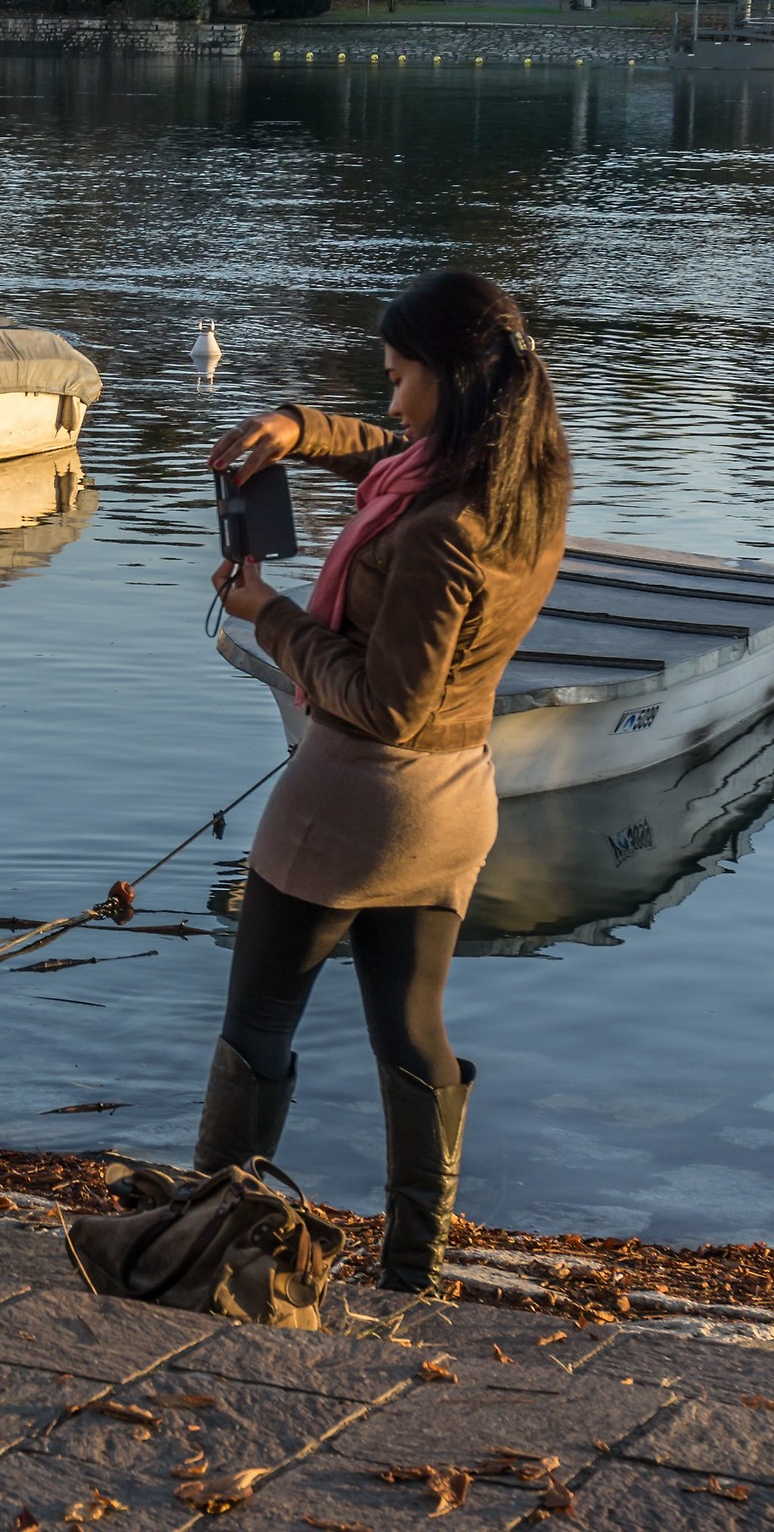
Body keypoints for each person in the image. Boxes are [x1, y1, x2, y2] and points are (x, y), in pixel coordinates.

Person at [198, 270, 572, 1293]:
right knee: (412, 1032)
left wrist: (271, 616)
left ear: (452, 378)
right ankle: (414, 1266)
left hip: (350, 802)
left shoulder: (441, 533)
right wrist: (299, 427)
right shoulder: (523, 487)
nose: (393, 401)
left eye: (402, 377)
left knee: (257, 1026)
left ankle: (210, 1243)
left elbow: (386, 701)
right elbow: (393, 453)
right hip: (454, 804)